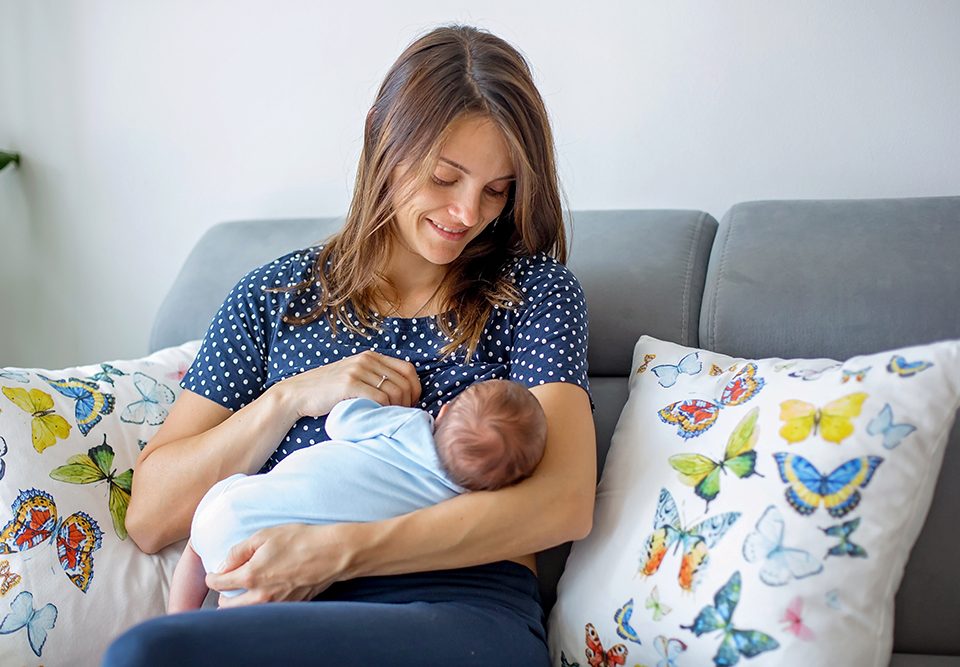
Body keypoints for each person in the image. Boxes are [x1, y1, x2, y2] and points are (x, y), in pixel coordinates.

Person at [106, 23, 596, 666]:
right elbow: (151, 516)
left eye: (496, 190)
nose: (468, 213)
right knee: (148, 652)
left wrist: (339, 549)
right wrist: (286, 399)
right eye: (445, 178)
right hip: (283, 612)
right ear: (384, 139)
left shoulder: (533, 292)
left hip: (460, 605)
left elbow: (561, 504)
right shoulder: (273, 297)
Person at [167, 379, 547, 612]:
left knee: (198, 548)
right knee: (241, 609)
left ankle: (177, 618)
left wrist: (384, 406)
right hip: (271, 561)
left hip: (234, 507)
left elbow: (341, 420)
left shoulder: (409, 424)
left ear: (444, 411)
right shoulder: (451, 505)